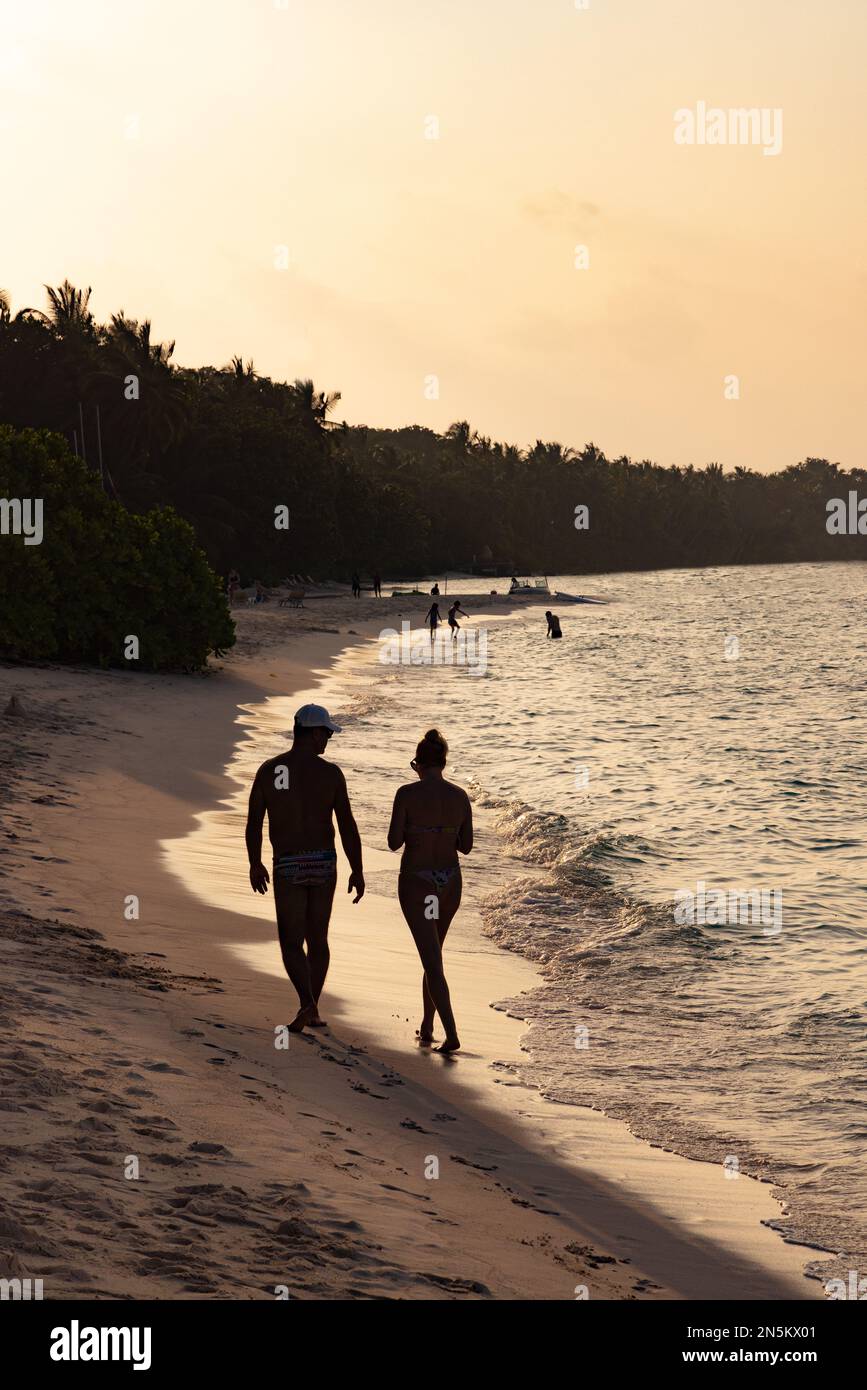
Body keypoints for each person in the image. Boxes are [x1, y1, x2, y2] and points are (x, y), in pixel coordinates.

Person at [245, 703, 365, 1033]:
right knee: (318, 939)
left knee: (290, 941)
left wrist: (255, 863)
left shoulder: (270, 770)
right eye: (326, 733)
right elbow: (347, 826)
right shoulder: (330, 774)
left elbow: (255, 823)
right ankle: (312, 1009)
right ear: (313, 734)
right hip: (325, 862)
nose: (328, 739)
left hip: (289, 863)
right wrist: (357, 869)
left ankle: (306, 1003)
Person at [387, 729, 472, 1053]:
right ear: (443, 762)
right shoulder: (460, 796)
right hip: (449, 880)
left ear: (418, 763)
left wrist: (417, 829)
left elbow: (394, 842)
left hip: (418, 881)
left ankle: (451, 1034)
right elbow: (466, 846)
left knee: (432, 960)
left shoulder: (406, 794)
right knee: (433, 953)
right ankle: (427, 1026)